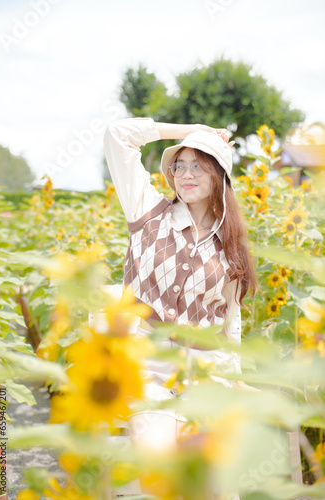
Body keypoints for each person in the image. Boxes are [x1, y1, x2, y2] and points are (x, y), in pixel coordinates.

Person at [103, 117, 257, 495]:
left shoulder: (230, 245)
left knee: (215, 483)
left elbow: (229, 321)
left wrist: (233, 379)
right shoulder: (147, 212)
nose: (185, 174)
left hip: (205, 372)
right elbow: (117, 135)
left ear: (219, 176)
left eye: (198, 165)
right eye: (179, 164)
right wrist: (195, 128)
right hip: (147, 369)